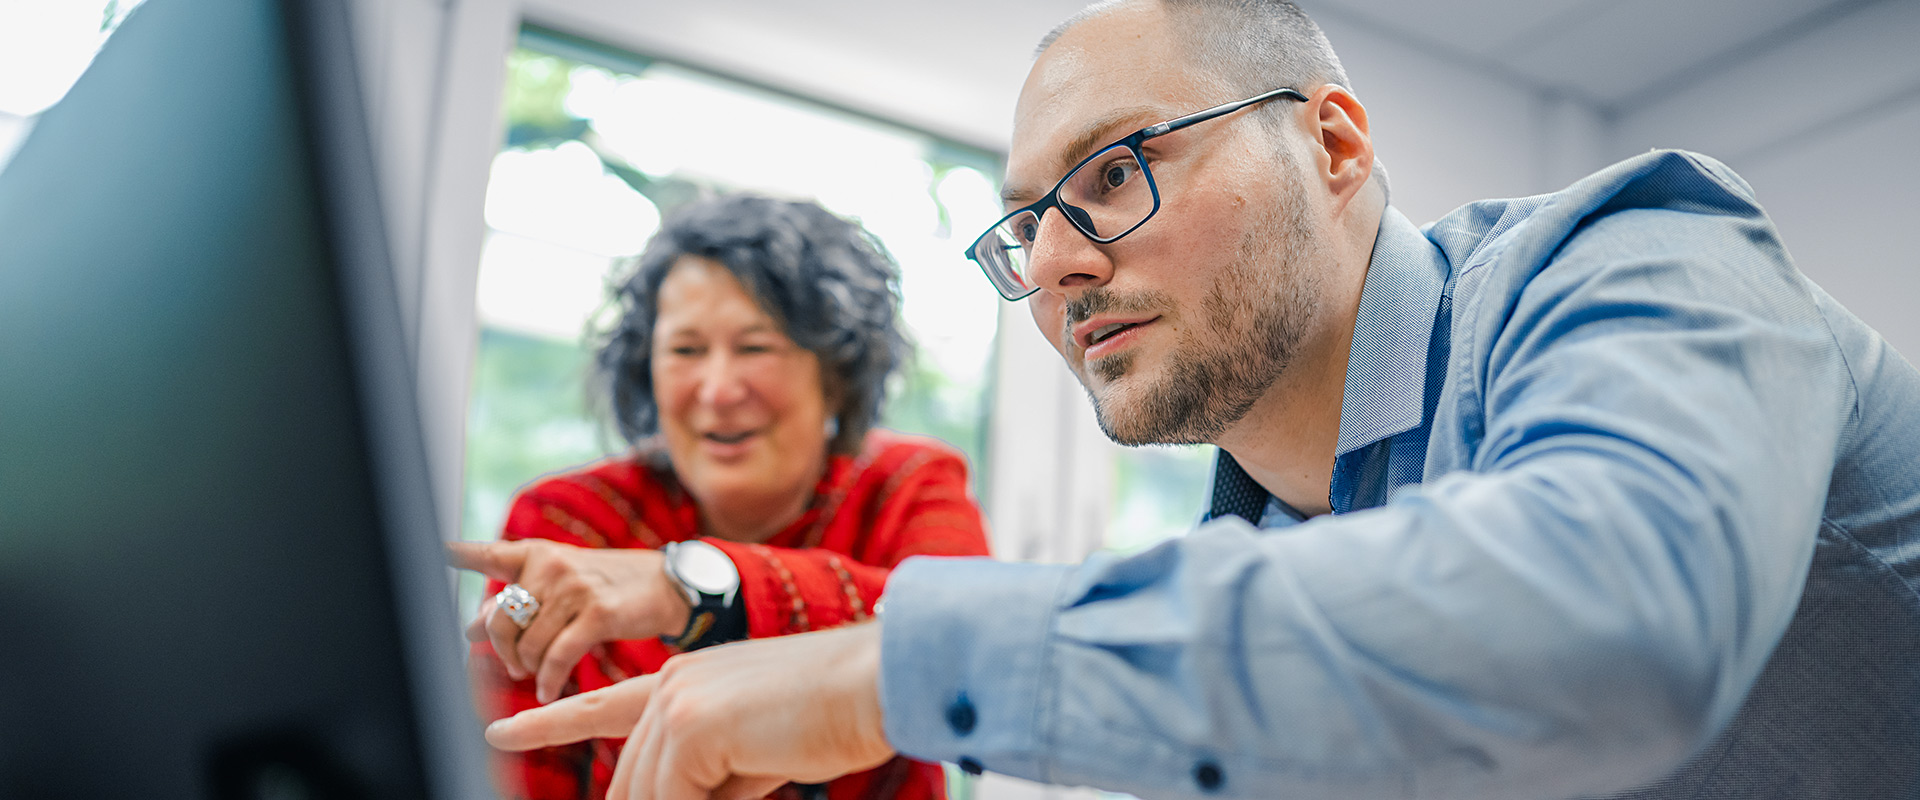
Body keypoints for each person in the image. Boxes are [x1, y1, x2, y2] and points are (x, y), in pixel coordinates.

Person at [482, 2, 1920, 798]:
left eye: (1113, 172)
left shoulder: (1642, 255)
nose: (1051, 264)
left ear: (1337, 145)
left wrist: (881, 665)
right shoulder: (1269, 552)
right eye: (1024, 225)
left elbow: (1606, 631)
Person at [451, 194, 991, 800]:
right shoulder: (564, 521)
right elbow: (509, 767)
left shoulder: (909, 483)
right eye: (685, 350)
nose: (717, 389)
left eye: (755, 347)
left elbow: (974, 644)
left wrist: (692, 585)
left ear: (836, 376)